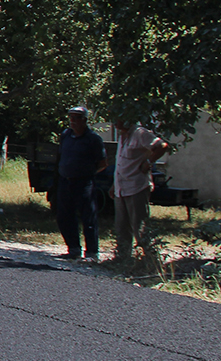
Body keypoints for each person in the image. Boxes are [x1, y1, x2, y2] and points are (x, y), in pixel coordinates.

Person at [111, 119, 174, 265]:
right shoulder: (122, 137)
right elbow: (121, 163)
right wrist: (114, 185)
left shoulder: (140, 133)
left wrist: (149, 163)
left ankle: (150, 259)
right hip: (121, 188)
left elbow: (162, 146)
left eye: (118, 119)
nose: (115, 124)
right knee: (121, 226)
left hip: (136, 186)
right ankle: (123, 258)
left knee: (140, 226)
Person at [56, 105, 107, 262]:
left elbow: (103, 163)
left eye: (76, 118)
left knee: (88, 217)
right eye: (71, 118)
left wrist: (86, 173)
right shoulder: (66, 135)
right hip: (65, 181)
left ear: (84, 120)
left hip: (84, 183)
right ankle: (73, 249)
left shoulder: (93, 139)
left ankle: (92, 252)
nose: (73, 122)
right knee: (65, 216)